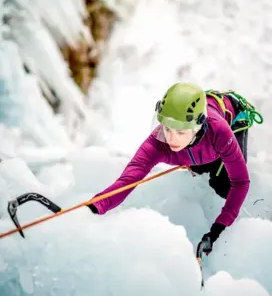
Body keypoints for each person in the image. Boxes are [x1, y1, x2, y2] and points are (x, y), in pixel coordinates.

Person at [88, 82, 263, 253]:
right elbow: (128, 180)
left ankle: (215, 162)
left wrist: (217, 229)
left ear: (197, 126)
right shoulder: (158, 142)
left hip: (231, 118)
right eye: (167, 129)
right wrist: (92, 208)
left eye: (180, 132)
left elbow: (240, 182)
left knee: (223, 186)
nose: (171, 139)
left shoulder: (220, 132)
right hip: (204, 141)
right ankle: (205, 163)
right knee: (198, 168)